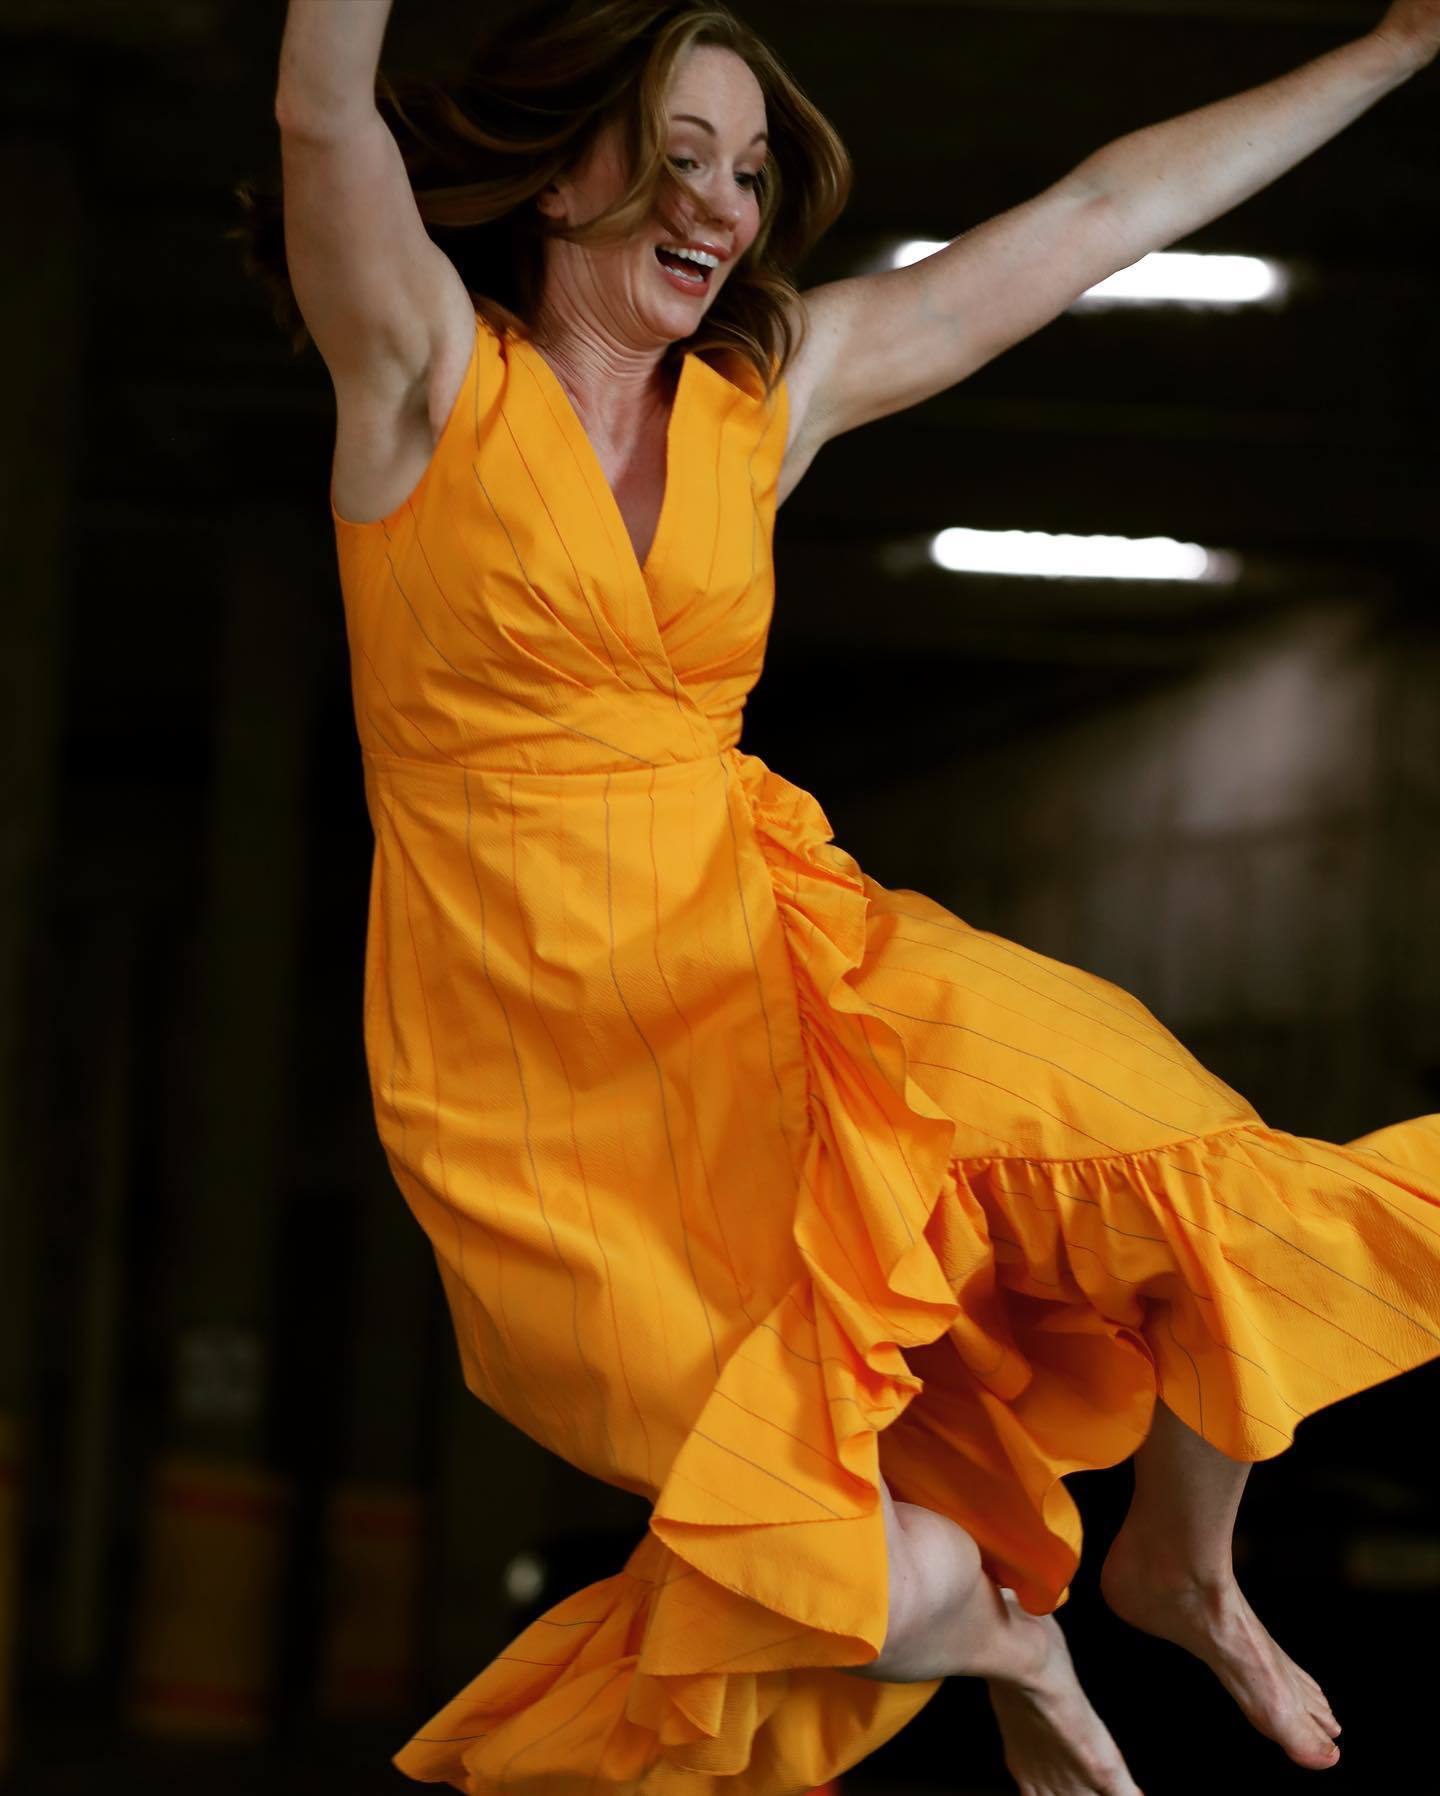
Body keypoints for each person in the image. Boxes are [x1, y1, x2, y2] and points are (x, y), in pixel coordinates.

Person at [247, 3, 1440, 1793]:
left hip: (781, 964)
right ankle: (1021, 1647)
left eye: (746, 171)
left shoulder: (763, 403)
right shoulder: (422, 377)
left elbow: (1097, 218)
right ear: (561, 179)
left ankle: (1183, 1566)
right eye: (677, 157)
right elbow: (319, 106)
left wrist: (1398, 46)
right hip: (543, 1079)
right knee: (838, 1575)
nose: (720, 205)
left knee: (1181, 1152)